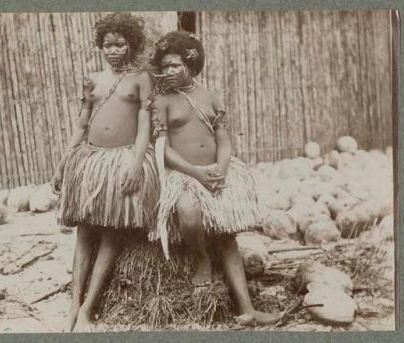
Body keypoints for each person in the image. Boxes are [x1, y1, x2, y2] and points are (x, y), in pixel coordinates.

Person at [149, 31, 281, 325]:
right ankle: (202, 259)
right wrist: (195, 173)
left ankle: (247, 309)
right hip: (182, 174)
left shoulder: (210, 97)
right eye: (165, 66)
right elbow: (163, 149)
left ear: (192, 65)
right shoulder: (162, 102)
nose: (168, 71)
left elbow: (223, 138)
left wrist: (221, 169)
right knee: (188, 212)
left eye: (175, 65)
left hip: (215, 171)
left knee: (227, 237)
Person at [51, 12, 159, 332]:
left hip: (122, 161)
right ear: (100, 46)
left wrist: (137, 164)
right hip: (92, 161)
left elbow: (143, 128)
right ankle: (73, 303)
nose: (113, 50)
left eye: (120, 44)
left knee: (111, 232)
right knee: (84, 232)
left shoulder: (141, 78)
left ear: (131, 44)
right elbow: (82, 125)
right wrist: (63, 162)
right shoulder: (93, 80)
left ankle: (88, 306)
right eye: (107, 45)